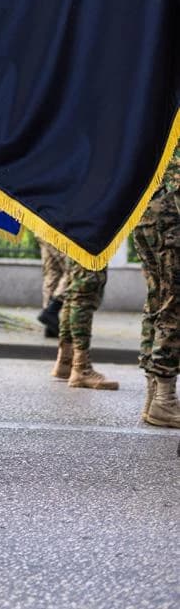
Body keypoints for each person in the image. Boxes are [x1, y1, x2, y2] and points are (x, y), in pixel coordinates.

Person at [133, 141, 179, 428]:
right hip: (170, 225)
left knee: (157, 302)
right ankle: (164, 399)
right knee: (174, 306)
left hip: (149, 216)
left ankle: (153, 396)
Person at [50, 259, 118, 389]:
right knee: (85, 290)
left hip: (77, 240)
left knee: (74, 290)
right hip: (88, 243)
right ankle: (81, 369)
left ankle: (66, 360)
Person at [37, 241, 67, 338]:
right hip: (58, 231)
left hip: (44, 229)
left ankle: (50, 326)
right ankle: (52, 310)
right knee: (75, 270)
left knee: (52, 274)